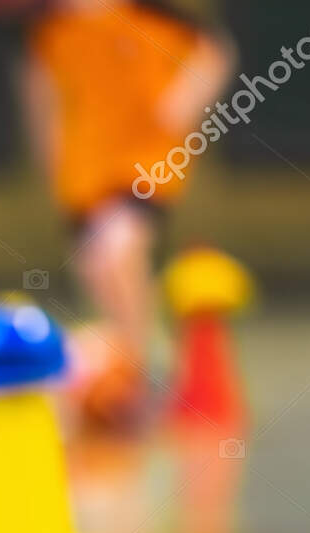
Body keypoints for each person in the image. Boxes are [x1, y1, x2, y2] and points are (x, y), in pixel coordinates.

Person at [21, 0, 233, 428]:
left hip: (145, 164)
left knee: (116, 250)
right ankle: (136, 362)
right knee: (99, 273)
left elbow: (213, 51)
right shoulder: (51, 31)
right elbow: (41, 99)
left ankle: (143, 374)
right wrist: (53, 160)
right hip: (85, 173)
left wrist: (185, 98)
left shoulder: (152, 18)